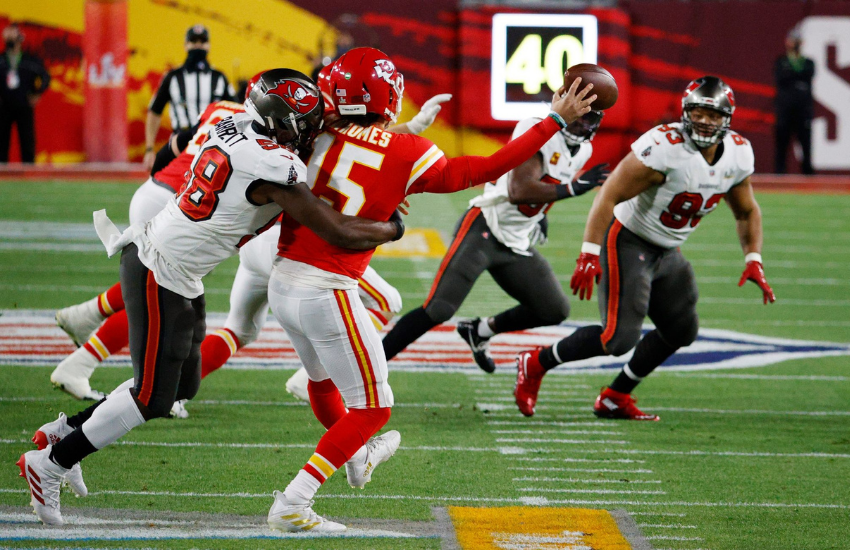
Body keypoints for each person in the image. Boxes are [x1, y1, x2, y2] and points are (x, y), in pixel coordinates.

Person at [18, 68, 402, 526]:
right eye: (300, 123)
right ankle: (51, 463)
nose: (307, 131)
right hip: (159, 268)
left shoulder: (232, 122)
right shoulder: (274, 167)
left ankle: (64, 433)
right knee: (151, 397)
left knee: (183, 386)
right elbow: (335, 228)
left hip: (177, 270)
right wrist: (392, 225)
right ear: (278, 122)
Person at [264, 47, 596, 532]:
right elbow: (487, 169)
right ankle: (295, 502)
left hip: (282, 279)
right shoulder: (406, 152)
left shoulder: (312, 133)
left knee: (321, 382)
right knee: (375, 408)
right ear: (388, 96)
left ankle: (356, 456)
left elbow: (350, 147)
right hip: (327, 288)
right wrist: (554, 120)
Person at [51, 66, 449, 408]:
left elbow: (170, 149)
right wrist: (393, 211)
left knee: (221, 320)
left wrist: (161, 178)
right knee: (387, 300)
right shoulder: (283, 144)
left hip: (172, 196)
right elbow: (347, 159)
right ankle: (315, 377)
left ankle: (90, 338)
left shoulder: (228, 115)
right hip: (228, 222)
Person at [514, 76, 776, 420]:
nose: (704, 121)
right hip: (629, 240)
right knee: (617, 339)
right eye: (698, 113)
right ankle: (536, 362)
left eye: (713, 115)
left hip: (668, 250)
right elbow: (609, 195)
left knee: (681, 331)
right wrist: (589, 253)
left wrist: (753, 258)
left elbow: (746, 211)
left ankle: (615, 396)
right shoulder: (663, 147)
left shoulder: (738, 154)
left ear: (727, 119)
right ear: (685, 113)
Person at [382, 111, 609, 372]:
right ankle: (370, 364)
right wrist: (572, 188)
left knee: (553, 309)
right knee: (439, 309)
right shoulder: (537, 127)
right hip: (485, 227)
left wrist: (540, 214)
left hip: (516, 240)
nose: (583, 124)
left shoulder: (583, 150)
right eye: (579, 116)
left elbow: (546, 181)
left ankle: (479, 331)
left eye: (590, 119)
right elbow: (518, 190)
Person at [143, 24, 235, 171]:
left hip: (213, 144)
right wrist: (149, 148)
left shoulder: (219, 78)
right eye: (193, 41)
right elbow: (154, 111)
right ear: (186, 45)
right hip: (181, 143)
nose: (198, 45)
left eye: (202, 41)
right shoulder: (172, 77)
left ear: (209, 46)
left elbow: (235, 112)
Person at [0, 23, 50, 163]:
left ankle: (29, 171)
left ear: (20, 37)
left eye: (12, 35)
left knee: (27, 141)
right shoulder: (2, 60)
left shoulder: (30, 60)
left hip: (24, 104)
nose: (9, 38)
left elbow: (45, 76)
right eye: (7, 35)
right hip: (3, 106)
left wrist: (37, 93)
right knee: (1, 142)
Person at [774, 26, 815, 175]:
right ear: (787, 42)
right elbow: (782, 79)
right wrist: (796, 79)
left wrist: (792, 76)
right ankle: (779, 175)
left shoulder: (808, 62)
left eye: (797, 40)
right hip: (785, 111)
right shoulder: (781, 62)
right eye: (792, 40)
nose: (795, 43)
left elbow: (807, 76)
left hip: (803, 111)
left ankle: (808, 176)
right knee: (782, 146)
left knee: (806, 146)